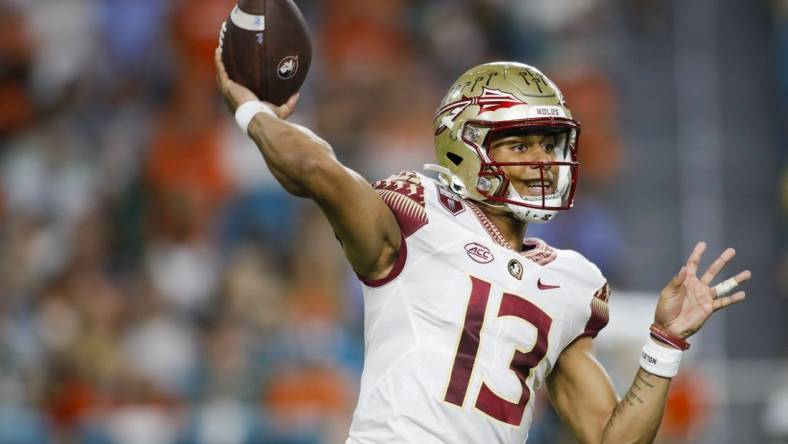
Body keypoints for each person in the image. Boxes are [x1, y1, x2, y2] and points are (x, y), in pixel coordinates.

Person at [214, 48, 751, 443]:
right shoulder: (416, 213)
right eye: (519, 143)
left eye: (549, 143)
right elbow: (314, 169)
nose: (541, 160)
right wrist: (250, 109)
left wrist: (664, 344)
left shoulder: (572, 280)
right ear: (463, 150)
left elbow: (611, 440)